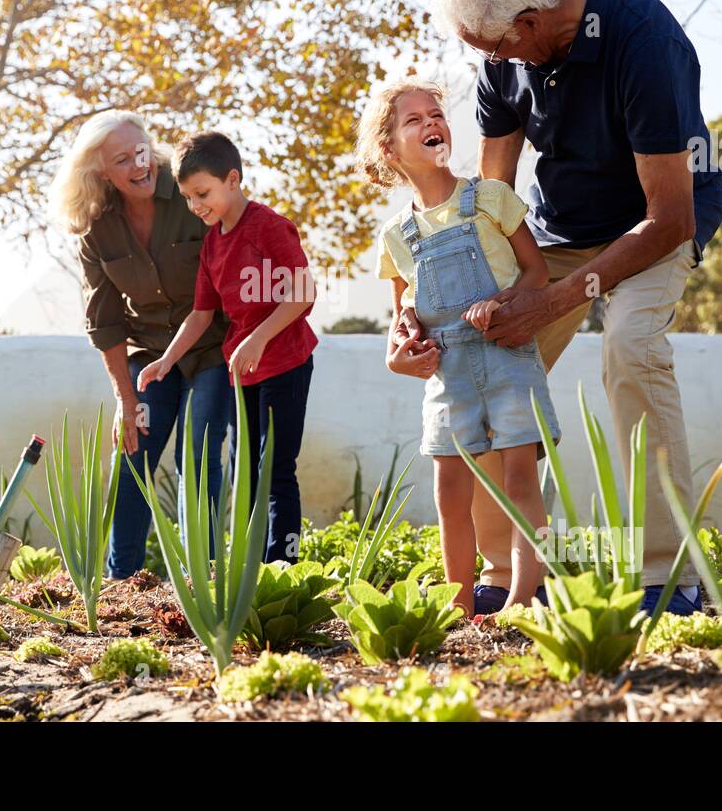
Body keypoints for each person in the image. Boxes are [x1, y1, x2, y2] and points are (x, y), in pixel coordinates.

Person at [420, 0, 722, 616]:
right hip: (561, 231)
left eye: (496, 47)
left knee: (631, 348)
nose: (491, 62)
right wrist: (445, 307)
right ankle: (509, 574)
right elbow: (493, 206)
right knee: (489, 347)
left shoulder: (641, 36)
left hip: (655, 224)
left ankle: (668, 577)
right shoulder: (505, 59)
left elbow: (669, 219)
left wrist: (562, 297)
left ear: (530, 25)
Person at [359, 79, 560, 615]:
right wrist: (400, 345)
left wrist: (505, 303)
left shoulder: (491, 198)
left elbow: (537, 272)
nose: (431, 124)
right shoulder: (397, 235)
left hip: (506, 352)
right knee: (450, 489)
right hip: (446, 371)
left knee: (520, 478)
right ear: (389, 149)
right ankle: (460, 605)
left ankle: (519, 599)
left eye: (436, 114)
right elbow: (403, 310)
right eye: (414, 120)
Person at [49, 110, 231, 579]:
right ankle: (120, 584)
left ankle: (201, 578)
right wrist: (124, 400)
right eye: (123, 160)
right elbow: (105, 321)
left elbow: (237, 248)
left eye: (142, 151)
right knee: (133, 454)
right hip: (150, 358)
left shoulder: (191, 191)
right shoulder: (97, 229)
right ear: (100, 173)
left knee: (199, 453)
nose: (139, 166)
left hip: (212, 349)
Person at [138, 131, 318, 563]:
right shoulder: (213, 243)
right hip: (247, 371)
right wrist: (166, 360)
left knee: (275, 469)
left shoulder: (269, 227)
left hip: (286, 364)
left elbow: (303, 293)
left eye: (202, 193)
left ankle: (285, 563)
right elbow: (201, 315)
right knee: (248, 474)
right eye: (186, 197)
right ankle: (254, 565)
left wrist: (258, 337)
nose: (195, 205)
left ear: (232, 180)